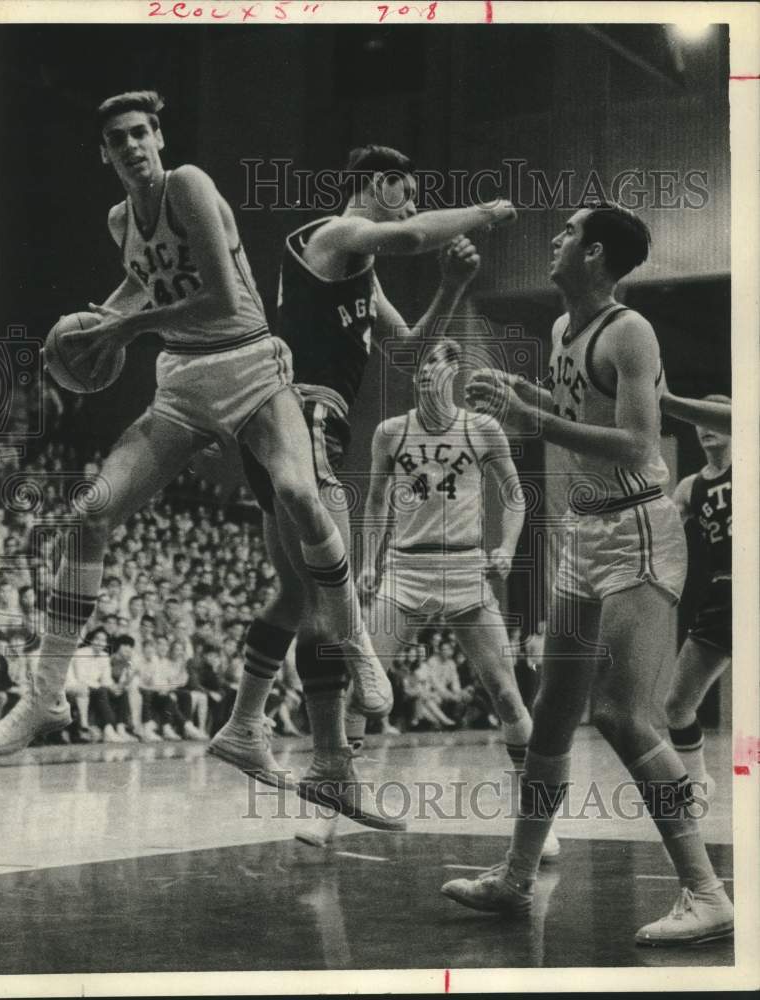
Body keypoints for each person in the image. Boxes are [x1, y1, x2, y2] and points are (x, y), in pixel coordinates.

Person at [0, 90, 389, 756]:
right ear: (105, 154)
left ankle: (354, 637)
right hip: (182, 384)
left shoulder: (189, 186)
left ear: (159, 138)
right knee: (89, 515)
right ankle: (45, 696)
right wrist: (97, 324)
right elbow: (143, 284)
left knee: (298, 493)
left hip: (251, 366)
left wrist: (126, 328)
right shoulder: (121, 220)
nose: (131, 145)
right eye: (117, 139)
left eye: (140, 132)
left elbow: (221, 296)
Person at [444, 203, 733, 946]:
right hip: (583, 534)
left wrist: (529, 420)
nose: (555, 239)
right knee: (551, 713)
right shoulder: (560, 330)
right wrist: (521, 395)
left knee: (621, 714)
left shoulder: (629, 330)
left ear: (597, 253)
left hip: (637, 530)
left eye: (568, 233)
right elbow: (580, 408)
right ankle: (516, 875)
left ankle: (706, 894)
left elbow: (636, 443)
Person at [211, 144, 516, 824]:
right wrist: (484, 213)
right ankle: (330, 764)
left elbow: (408, 352)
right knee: (331, 592)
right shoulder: (334, 235)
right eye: (405, 192)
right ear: (377, 185)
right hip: (304, 419)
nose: (411, 208)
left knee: (298, 593)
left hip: (286, 428)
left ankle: (244, 726)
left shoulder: (362, 272)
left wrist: (451, 287)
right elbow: (409, 236)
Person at [355, 338, 557, 857]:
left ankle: (536, 817)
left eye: (438, 368)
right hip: (405, 567)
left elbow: (516, 496)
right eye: (422, 367)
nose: (427, 374)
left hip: (466, 568)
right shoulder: (391, 431)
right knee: (363, 682)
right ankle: (335, 804)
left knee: (506, 692)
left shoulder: (482, 428)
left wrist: (506, 547)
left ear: (454, 378)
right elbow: (376, 501)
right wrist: (368, 561)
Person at [665, 397, 731, 795]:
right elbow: (664, 534)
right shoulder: (690, 486)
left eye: (714, 418)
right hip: (723, 592)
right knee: (676, 705)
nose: (705, 426)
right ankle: (697, 783)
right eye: (699, 421)